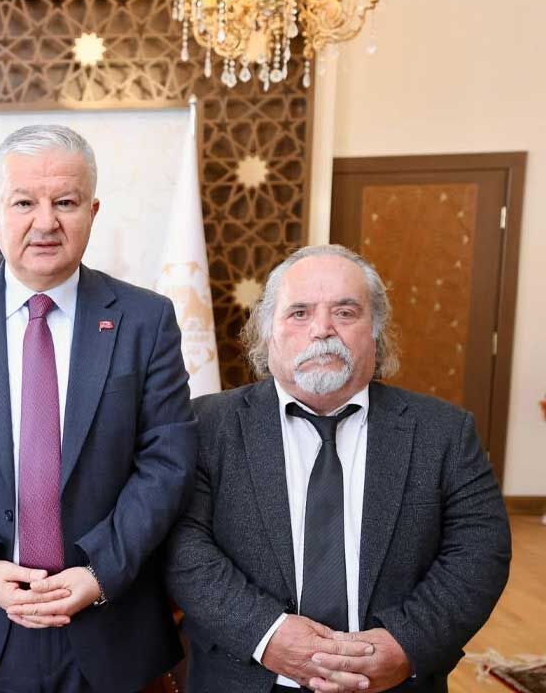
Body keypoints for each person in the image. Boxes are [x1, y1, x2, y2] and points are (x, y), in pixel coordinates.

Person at [0, 124, 196, 692]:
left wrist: (100, 572)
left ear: (93, 211)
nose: (45, 222)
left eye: (65, 202)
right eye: (24, 203)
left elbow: (168, 462)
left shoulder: (145, 320)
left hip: (110, 621)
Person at [167, 244, 511, 693]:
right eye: (300, 313)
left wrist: (406, 644)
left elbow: (480, 552)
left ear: (376, 333)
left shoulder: (444, 432)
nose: (322, 330)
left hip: (392, 683)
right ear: (267, 333)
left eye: (345, 313)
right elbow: (182, 546)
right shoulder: (206, 425)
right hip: (243, 677)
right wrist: (267, 635)